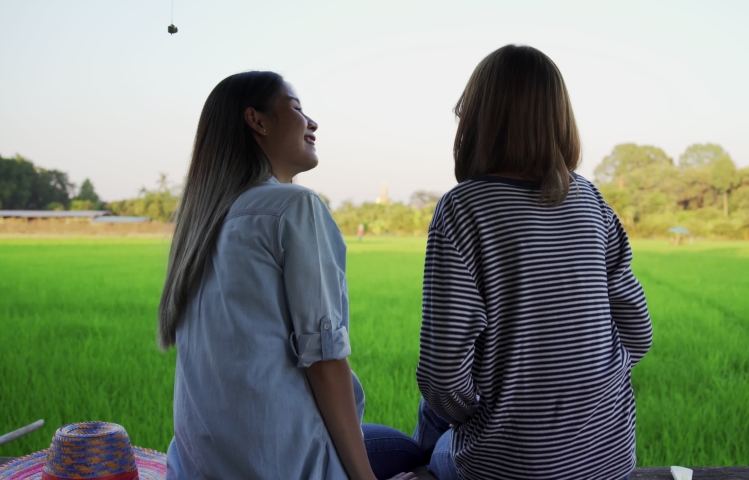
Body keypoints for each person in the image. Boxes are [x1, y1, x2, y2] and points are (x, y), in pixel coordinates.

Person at [158, 71, 421, 480]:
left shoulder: (203, 220)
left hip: (197, 466)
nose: (311, 123)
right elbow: (326, 362)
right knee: (409, 450)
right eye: (297, 109)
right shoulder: (293, 207)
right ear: (257, 121)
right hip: (283, 466)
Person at [414, 45, 653, 480]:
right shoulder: (592, 200)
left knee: (416, 434)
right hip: (609, 463)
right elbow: (639, 332)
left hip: (510, 467)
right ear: (559, 119)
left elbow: (442, 377)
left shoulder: (463, 208)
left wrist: (492, 411)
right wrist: (586, 386)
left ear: (477, 118)